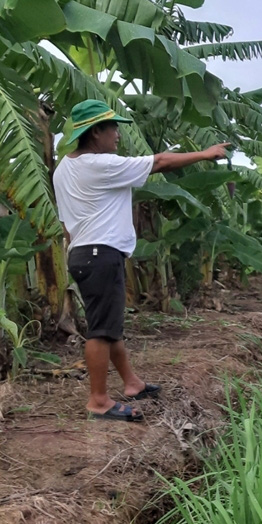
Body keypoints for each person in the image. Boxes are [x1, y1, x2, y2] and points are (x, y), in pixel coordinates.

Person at [53, 99, 229, 422]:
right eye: (112, 128)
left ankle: (132, 383)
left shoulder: (64, 168)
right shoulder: (101, 165)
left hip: (83, 252)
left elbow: (66, 224)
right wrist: (205, 154)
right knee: (101, 330)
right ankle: (99, 400)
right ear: (95, 133)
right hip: (100, 254)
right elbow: (159, 162)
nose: (118, 135)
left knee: (111, 327)